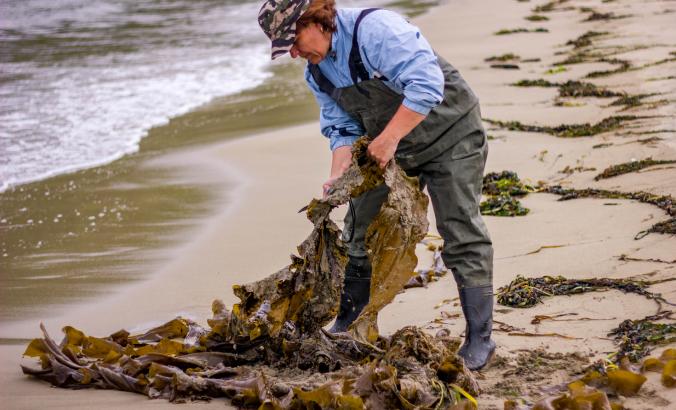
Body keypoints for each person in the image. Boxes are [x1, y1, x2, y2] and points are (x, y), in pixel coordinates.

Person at [258, 0, 495, 370]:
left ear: (316, 20)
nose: (292, 52)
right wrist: (339, 174)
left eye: (293, 39)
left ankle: (480, 338)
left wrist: (387, 141)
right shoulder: (317, 72)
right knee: (357, 229)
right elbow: (343, 128)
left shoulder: (377, 31)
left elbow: (427, 85)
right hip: (388, 146)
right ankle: (350, 324)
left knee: (460, 228)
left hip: (451, 134)